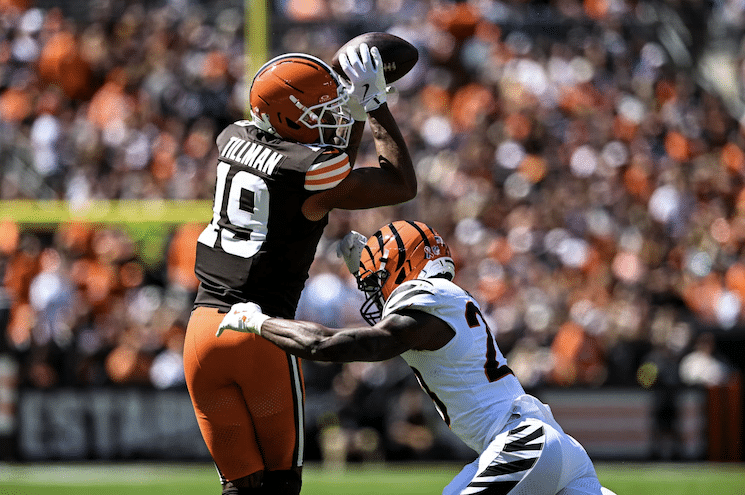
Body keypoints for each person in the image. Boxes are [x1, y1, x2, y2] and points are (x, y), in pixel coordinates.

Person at [217, 220, 617, 495]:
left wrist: (259, 322)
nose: (374, 292)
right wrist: (369, 264)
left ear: (405, 268)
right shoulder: (446, 300)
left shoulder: (428, 303)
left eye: (379, 278)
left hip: (521, 442)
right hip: (552, 445)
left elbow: (330, 345)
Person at [183, 43, 417, 495]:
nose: (331, 118)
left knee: (239, 487)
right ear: (288, 117)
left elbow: (326, 166)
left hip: (201, 334)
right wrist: (373, 106)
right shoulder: (308, 171)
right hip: (259, 332)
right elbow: (399, 183)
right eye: (320, 112)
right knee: (280, 484)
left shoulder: (232, 135)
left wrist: (346, 112)